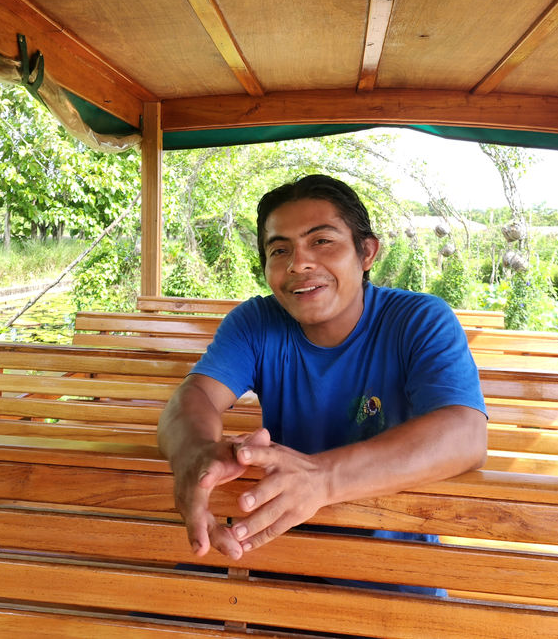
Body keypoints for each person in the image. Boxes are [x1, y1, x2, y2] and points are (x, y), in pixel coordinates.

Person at [157, 174, 487, 574]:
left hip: (392, 562)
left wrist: (323, 479)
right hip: (278, 550)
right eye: (279, 250)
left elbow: (466, 434)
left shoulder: (418, 320)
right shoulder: (257, 322)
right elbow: (196, 398)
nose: (299, 263)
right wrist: (195, 454)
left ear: (366, 253)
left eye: (321, 241)